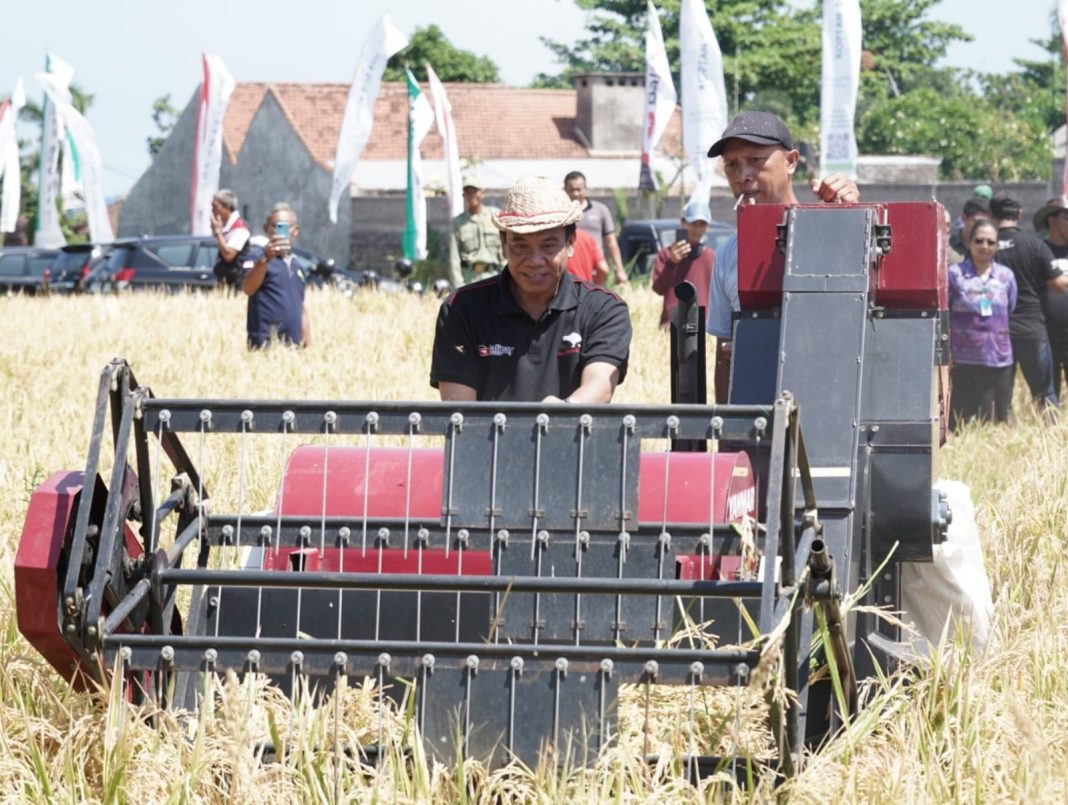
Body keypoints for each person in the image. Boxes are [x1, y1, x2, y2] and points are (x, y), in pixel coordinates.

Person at [430, 176, 631, 403]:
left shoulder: (603, 309)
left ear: (571, 244)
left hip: (573, 436)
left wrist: (564, 411)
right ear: (504, 246)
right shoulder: (462, 309)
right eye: (520, 246)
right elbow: (460, 409)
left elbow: (601, 383)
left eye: (548, 245)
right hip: (488, 438)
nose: (535, 260)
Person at [704, 111, 860, 403]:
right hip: (758, 419)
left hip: (834, 408)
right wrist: (728, 434)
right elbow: (724, 356)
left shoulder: (831, 232)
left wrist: (849, 217)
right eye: (731, 165)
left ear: (790, 162)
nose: (743, 176)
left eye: (755, 160)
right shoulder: (728, 254)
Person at [990, 190, 1068, 409]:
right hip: (1032, 327)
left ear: (991, 214)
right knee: (1045, 394)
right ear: (1020, 213)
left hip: (995, 329)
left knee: (1000, 398)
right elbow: (1058, 284)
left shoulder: (984, 245)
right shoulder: (1036, 246)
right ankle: (1050, 432)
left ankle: (1001, 428)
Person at [947, 220, 1018, 426]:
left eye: (990, 242)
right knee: (963, 421)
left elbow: (1009, 309)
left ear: (996, 246)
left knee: (996, 418)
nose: (985, 246)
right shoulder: (955, 274)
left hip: (998, 356)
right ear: (969, 243)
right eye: (979, 241)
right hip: (964, 357)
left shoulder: (1006, 276)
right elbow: (945, 312)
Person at [242, 203, 311, 349]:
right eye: (275, 226)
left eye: (286, 226)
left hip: (293, 347)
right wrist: (266, 258)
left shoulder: (297, 264)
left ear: (295, 231)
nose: (280, 231)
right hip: (265, 345)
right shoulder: (256, 257)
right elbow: (248, 288)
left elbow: (301, 305)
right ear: (266, 229)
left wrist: (307, 340)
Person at [652, 199, 717, 329]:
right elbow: (658, 289)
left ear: (708, 227)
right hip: (671, 327)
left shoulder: (713, 257)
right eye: (692, 223)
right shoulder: (666, 254)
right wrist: (671, 263)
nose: (696, 229)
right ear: (682, 222)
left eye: (702, 224)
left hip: (703, 326)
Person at [564, 171, 628, 286]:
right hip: (567, 272)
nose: (575, 193)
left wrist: (619, 269)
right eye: (571, 190)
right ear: (565, 190)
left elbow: (611, 241)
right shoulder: (560, 213)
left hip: (596, 271)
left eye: (579, 189)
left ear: (585, 189)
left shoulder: (600, 210)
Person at [1033, 196, 1068, 399]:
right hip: (1048, 332)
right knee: (1049, 393)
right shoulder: (1039, 251)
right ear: (1052, 220)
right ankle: (1052, 429)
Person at [448, 177, 503, 289]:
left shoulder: (495, 216)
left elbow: (504, 250)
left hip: (494, 275)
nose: (471, 195)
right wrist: (459, 285)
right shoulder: (458, 223)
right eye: (467, 192)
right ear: (463, 197)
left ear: (482, 194)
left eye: (474, 191)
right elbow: (454, 257)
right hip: (469, 277)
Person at [210, 189, 252, 290]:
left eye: (215, 207)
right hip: (225, 282)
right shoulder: (227, 227)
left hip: (235, 284)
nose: (212, 211)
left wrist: (217, 232)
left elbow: (229, 255)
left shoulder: (240, 229)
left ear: (227, 207)